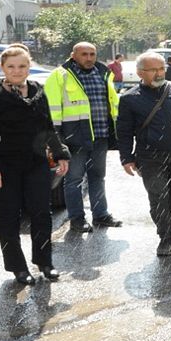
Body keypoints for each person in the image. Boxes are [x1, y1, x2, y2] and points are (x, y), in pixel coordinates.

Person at [0, 45, 71, 285]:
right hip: (4, 167)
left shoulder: (38, 91)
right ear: (2, 68)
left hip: (35, 164)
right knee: (9, 216)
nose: (17, 71)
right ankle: (17, 267)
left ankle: (45, 262)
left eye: (22, 66)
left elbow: (47, 126)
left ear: (29, 66)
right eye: (11, 66)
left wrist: (60, 153)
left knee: (41, 213)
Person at [117, 52, 171, 257]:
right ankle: (166, 237)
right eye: (153, 70)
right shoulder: (130, 98)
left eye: (161, 69)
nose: (158, 73)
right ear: (140, 73)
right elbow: (123, 132)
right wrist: (126, 158)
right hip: (150, 158)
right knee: (159, 198)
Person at [45, 42, 122, 233]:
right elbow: (51, 111)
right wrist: (57, 141)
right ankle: (77, 219)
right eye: (84, 54)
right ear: (73, 56)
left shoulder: (103, 73)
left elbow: (112, 103)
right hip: (74, 139)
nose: (88, 58)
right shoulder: (60, 76)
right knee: (73, 180)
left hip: (100, 136)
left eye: (92, 54)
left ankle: (101, 215)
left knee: (98, 177)